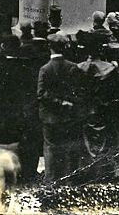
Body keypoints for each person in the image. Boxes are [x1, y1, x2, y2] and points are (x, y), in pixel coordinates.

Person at [38, 34, 85, 184]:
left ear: (50, 47)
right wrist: (68, 103)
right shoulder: (73, 67)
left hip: (50, 116)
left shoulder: (45, 69)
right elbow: (78, 91)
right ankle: (69, 179)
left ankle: (51, 180)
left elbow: (41, 94)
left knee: (51, 148)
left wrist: (58, 102)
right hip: (69, 116)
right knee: (69, 147)